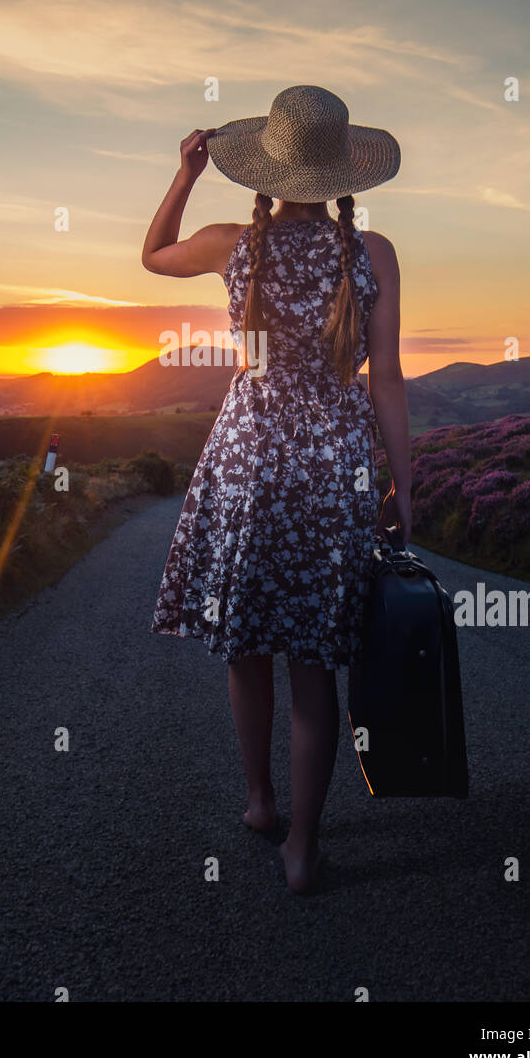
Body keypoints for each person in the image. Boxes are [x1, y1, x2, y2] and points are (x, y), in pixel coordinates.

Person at [142, 85, 411, 893]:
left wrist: (183, 174)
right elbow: (388, 379)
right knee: (313, 664)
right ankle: (302, 845)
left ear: (262, 167)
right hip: (333, 461)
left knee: (246, 643)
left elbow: (152, 256)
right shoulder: (375, 253)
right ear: (341, 175)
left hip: (248, 454)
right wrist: (406, 483)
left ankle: (259, 800)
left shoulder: (231, 242)